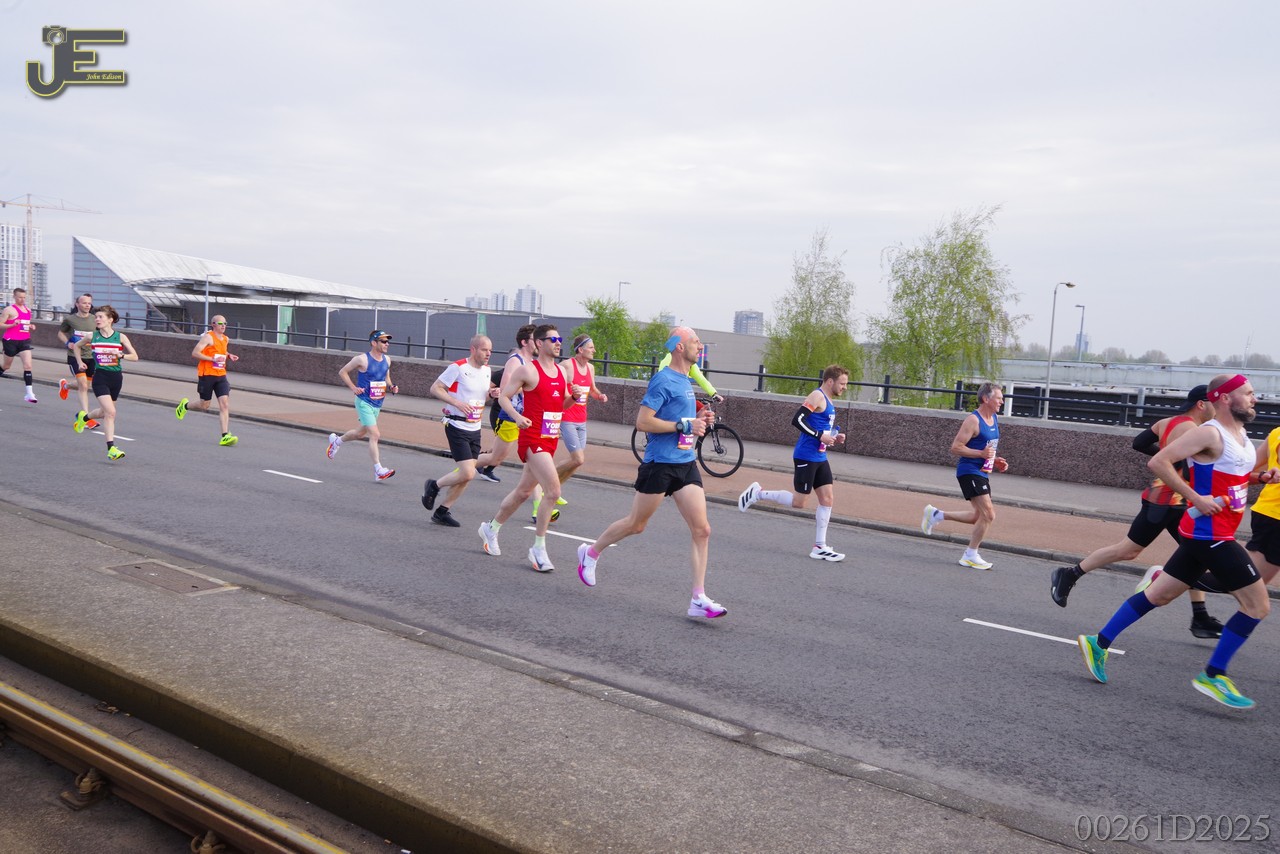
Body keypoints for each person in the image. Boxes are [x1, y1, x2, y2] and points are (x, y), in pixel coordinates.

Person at [1077, 373, 1278, 710]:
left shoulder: (1241, 435)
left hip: (1210, 532)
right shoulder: (1209, 432)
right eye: (1248, 393)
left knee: (1160, 594)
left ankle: (1099, 642)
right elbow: (1158, 461)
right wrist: (1195, 497)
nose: (1254, 398)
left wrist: (1261, 477)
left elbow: (1234, 477)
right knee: (1258, 606)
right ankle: (1213, 675)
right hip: (1210, 534)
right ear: (1224, 398)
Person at [575, 327, 728, 620]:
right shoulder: (663, 379)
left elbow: (680, 420)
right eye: (695, 342)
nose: (700, 347)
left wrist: (698, 419)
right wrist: (684, 425)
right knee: (636, 525)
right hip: (660, 464)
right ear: (680, 347)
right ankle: (590, 553)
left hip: (685, 463)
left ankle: (698, 598)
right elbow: (643, 422)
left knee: (702, 530)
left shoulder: (685, 379)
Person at [1049, 385, 1224, 638]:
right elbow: (1189, 470)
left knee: (1193, 556)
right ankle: (1068, 574)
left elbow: (1140, 443)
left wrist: (1165, 455)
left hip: (1174, 501)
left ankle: (1200, 617)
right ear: (1201, 404)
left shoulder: (1167, 422)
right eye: (1213, 404)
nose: (1216, 409)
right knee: (1129, 550)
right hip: (1165, 502)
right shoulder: (1193, 431)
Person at [476, 324, 573, 571]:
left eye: (560, 339)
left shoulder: (561, 372)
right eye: (553, 340)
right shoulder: (527, 370)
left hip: (550, 438)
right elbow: (503, 396)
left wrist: (574, 398)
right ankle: (538, 549)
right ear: (539, 343)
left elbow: (560, 406)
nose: (558, 343)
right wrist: (517, 417)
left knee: (523, 492)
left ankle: (491, 528)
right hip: (532, 438)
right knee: (552, 492)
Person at [738, 365, 850, 562]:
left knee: (827, 499)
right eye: (842, 383)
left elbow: (820, 425)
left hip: (820, 456)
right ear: (830, 381)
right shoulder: (817, 396)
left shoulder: (829, 399)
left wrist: (834, 436)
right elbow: (797, 420)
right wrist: (820, 436)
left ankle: (820, 546)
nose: (844, 387)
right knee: (799, 503)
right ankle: (757, 493)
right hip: (806, 456)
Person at [920, 381, 1008, 569]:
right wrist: (980, 454)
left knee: (979, 517)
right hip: (969, 471)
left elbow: (985, 449)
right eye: (999, 398)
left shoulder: (994, 419)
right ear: (986, 399)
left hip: (982, 472)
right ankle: (970, 555)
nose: (1002, 402)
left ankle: (936, 515)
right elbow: (956, 447)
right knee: (989, 514)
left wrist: (995, 460)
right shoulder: (973, 420)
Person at [421, 335, 495, 527]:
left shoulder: (487, 371)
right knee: (468, 473)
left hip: (475, 427)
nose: (488, 354)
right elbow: (435, 388)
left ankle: (442, 512)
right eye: (484, 350)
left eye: (490, 350)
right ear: (473, 349)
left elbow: (481, 397)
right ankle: (434, 485)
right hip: (456, 425)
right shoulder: (458, 367)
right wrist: (456, 403)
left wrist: (491, 394)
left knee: (466, 476)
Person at [327, 331, 399, 481]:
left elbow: (386, 377)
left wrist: (391, 386)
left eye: (387, 341)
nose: (387, 344)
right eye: (383, 341)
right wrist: (353, 388)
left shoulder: (387, 360)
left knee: (359, 434)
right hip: (364, 402)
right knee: (375, 435)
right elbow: (343, 372)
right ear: (374, 343)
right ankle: (378, 470)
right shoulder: (361, 359)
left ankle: (336, 441)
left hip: (377, 402)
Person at [71, 306, 138, 461]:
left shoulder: (120, 337)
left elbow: (135, 356)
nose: (97, 319)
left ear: (110, 320)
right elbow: (77, 346)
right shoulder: (92, 336)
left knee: (103, 413)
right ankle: (111, 449)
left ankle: (84, 418)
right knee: (111, 413)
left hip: (116, 378)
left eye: (101, 317)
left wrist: (121, 355)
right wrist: (80, 362)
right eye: (96, 317)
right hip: (100, 377)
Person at [549, 334, 609, 502]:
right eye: (591, 347)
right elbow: (553, 386)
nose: (594, 350)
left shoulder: (590, 368)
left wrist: (600, 396)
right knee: (578, 458)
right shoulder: (567, 366)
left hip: (582, 419)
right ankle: (545, 482)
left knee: (576, 462)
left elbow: (592, 389)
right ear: (580, 349)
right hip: (567, 417)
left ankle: (553, 490)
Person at [475, 324, 537, 485]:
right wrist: (530, 387)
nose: (539, 342)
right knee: (496, 458)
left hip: (524, 416)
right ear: (524, 342)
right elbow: (504, 388)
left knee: (534, 455)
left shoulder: (531, 362)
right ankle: (464, 469)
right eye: (535, 339)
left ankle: (541, 492)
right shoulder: (515, 361)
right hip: (510, 416)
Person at [175, 315, 241, 446]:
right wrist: (212, 359)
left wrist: (229, 355)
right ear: (213, 324)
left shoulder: (226, 339)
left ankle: (225, 436)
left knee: (224, 404)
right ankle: (185, 406)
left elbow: (221, 351)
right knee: (204, 405)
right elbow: (195, 353)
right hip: (207, 375)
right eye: (220, 323)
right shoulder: (208, 337)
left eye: (225, 323)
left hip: (221, 375)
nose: (223, 326)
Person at [56, 293, 99, 429]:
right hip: (75, 356)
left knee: (85, 385)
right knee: (83, 385)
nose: (87, 305)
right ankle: (85, 418)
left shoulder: (95, 319)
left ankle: (66, 386)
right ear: (77, 304)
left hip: (91, 356)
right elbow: (60, 333)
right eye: (84, 303)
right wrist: (67, 343)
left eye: (89, 303)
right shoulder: (70, 319)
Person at [1245, 425, 1280, 587]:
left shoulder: (1276, 432)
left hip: (1269, 511)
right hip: (1274, 516)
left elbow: (1249, 468)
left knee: (1250, 585)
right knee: (1249, 585)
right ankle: (1183, 578)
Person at [0, 286, 39, 402]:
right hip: (10, 341)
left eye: (24, 297)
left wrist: (31, 326)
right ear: (14, 297)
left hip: (24, 340)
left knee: (28, 366)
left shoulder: (28, 310)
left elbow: (25, 324)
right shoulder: (9, 310)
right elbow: (1, 324)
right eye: (20, 297)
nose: (22, 300)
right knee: (6, 366)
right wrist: (12, 325)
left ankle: (29, 394)